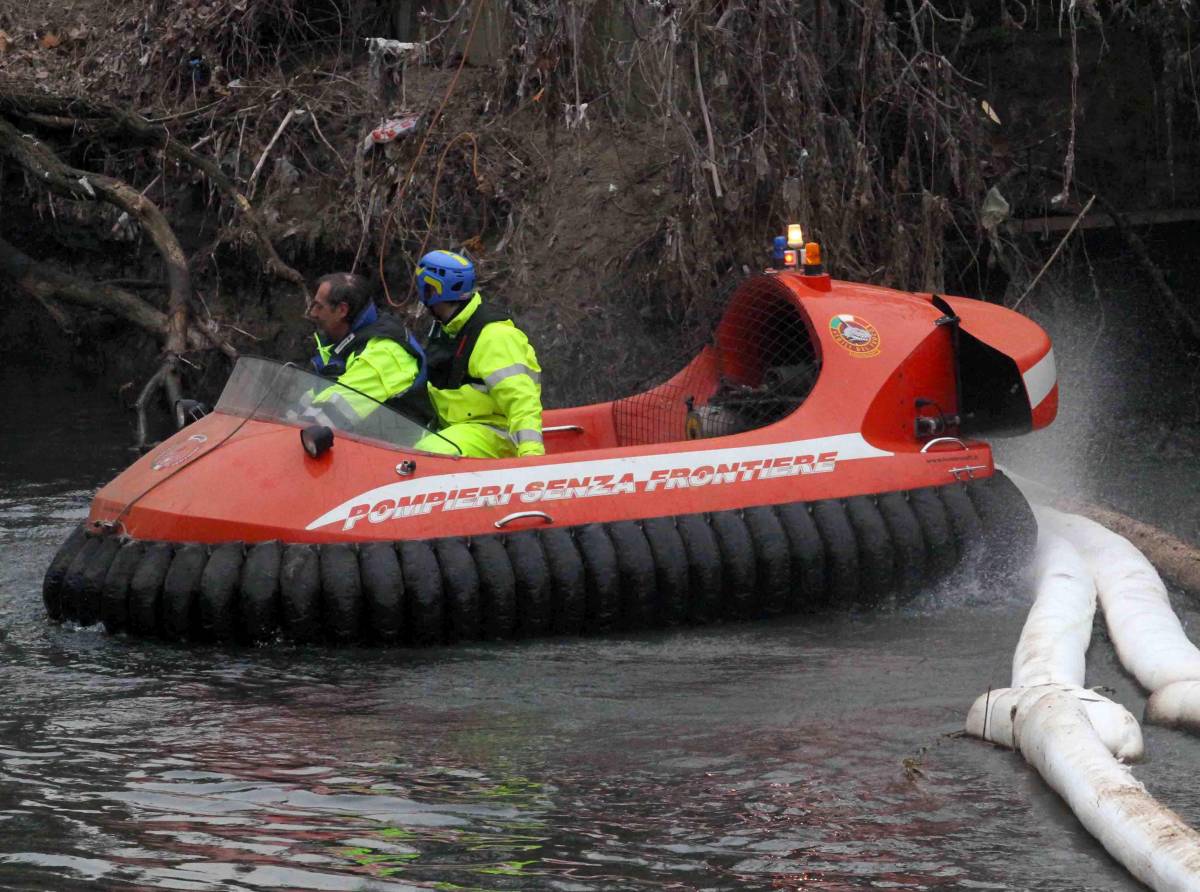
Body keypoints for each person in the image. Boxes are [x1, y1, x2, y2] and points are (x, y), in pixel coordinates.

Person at [414, 250, 544, 458]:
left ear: (433, 289)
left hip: (494, 432)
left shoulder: (493, 336)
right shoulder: (448, 328)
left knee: (429, 453)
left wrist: (531, 455)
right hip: (454, 426)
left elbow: (520, 399)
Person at [302, 272, 433, 427]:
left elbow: (327, 418)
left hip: (400, 443)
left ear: (342, 310)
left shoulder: (381, 356)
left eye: (319, 306)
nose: (312, 313)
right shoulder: (344, 338)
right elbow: (317, 392)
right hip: (366, 435)